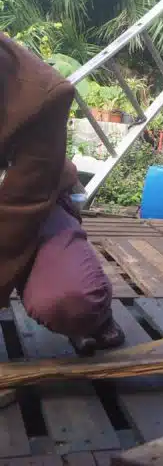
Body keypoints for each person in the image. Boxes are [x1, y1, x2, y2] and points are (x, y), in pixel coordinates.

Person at [0, 33, 125, 356]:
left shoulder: (42, 93)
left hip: (32, 205)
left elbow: (22, 206)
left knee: (69, 302)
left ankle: (94, 320)